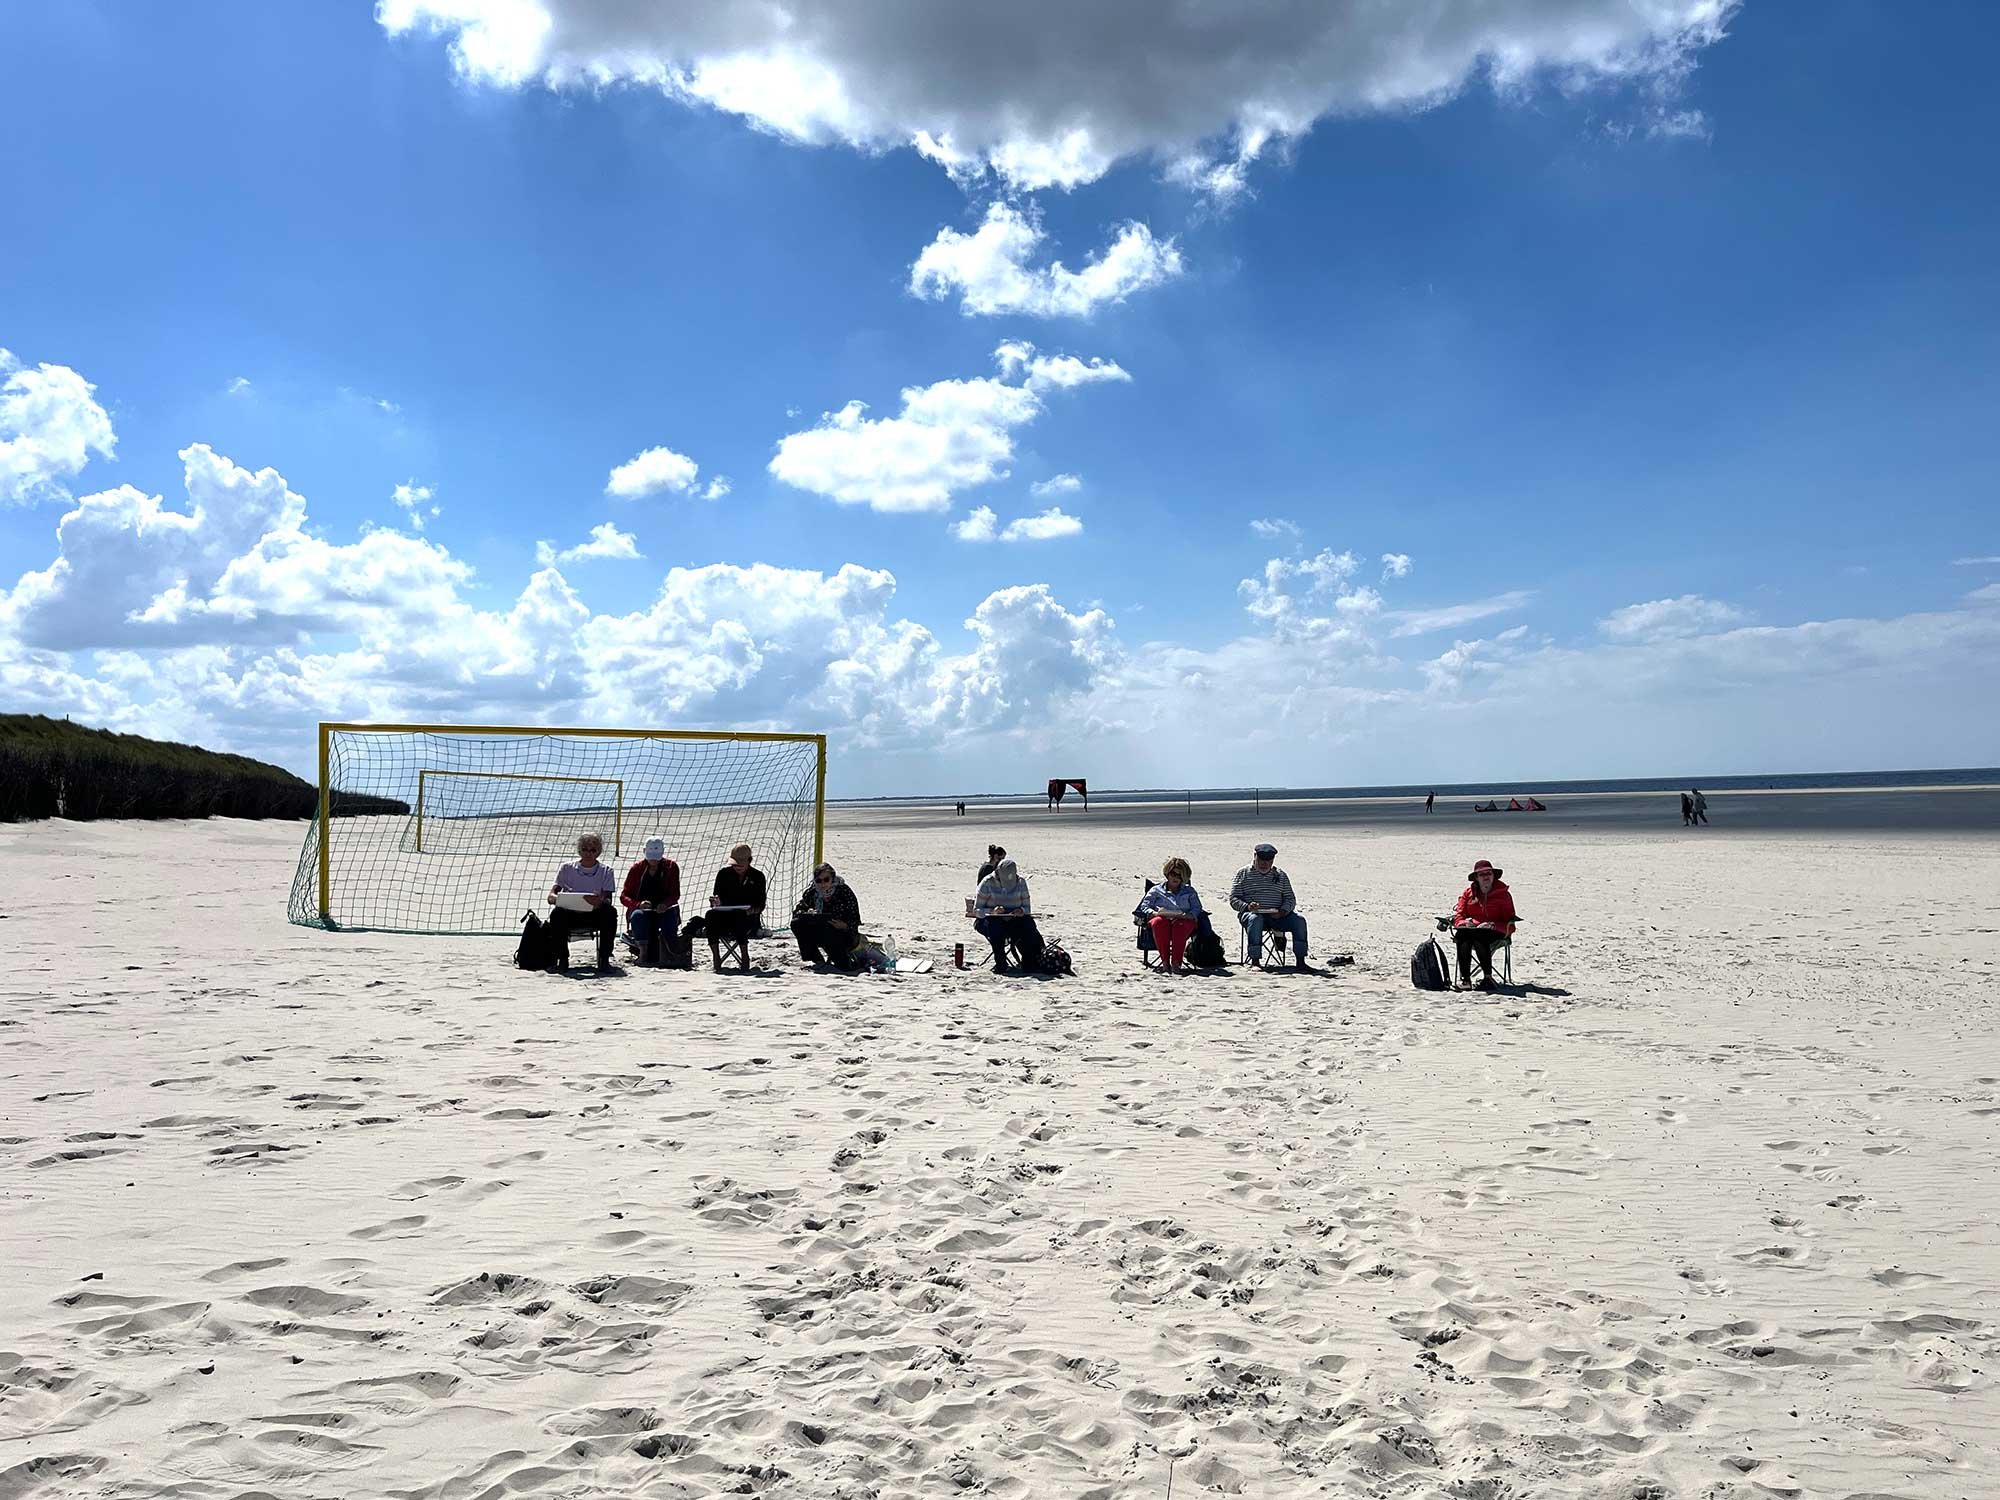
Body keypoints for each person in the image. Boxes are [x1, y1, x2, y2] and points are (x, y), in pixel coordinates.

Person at [1229, 842, 1307, 969]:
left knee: (1299, 920)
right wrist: (1247, 906)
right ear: (1255, 856)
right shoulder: (1243, 873)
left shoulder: (1280, 874)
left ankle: (1301, 961)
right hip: (1251, 915)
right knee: (1255, 919)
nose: (1265, 864)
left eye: (1269, 861)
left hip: (1277, 916)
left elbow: (1290, 898)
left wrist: (1282, 911)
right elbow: (1233, 899)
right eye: (1261, 860)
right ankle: (1255, 961)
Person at [547, 832, 618, 974]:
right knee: (556, 913)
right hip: (570, 916)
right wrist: (558, 899)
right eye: (585, 849)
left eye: (593, 850)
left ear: (598, 851)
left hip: (594, 916)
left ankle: (604, 960)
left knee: (610, 912)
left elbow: (608, 899)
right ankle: (562, 960)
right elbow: (551, 895)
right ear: (579, 850)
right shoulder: (567, 868)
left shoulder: (606, 871)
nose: (588, 853)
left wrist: (599, 901)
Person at [1451, 858, 1517, 991]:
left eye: (1489, 873)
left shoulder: (1503, 894)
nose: (1486, 876)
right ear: (1476, 877)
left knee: (1478, 936)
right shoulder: (1468, 894)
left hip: (1498, 931)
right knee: (1462, 934)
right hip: (1473, 930)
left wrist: (1493, 925)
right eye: (1482, 874)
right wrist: (1463, 922)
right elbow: (1459, 915)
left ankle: (1488, 978)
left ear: (1493, 875)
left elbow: (1510, 921)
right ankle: (1466, 980)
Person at [974, 857, 1044, 972]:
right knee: (995, 928)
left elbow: (1027, 908)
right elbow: (977, 910)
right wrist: (992, 911)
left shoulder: (1021, 882)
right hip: (990, 920)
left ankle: (1029, 962)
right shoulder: (987, 882)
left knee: (1029, 925)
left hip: (1014, 920)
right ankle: (1001, 963)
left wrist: (1021, 911)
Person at [1137, 856, 1204, 975]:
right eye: (1173, 874)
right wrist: (1154, 913)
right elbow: (1144, 906)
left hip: (1184, 919)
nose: (1176, 877)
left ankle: (1176, 963)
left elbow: (1197, 908)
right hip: (1161, 917)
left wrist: (1189, 915)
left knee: (1179, 925)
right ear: (1167, 874)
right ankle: (1165, 962)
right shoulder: (1156, 890)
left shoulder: (1189, 891)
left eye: (1179, 875)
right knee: (1159, 922)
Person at [620, 837, 681, 966]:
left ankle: (669, 952)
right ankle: (643, 953)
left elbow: (675, 894)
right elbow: (624, 896)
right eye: (651, 856)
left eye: (656, 857)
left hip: (665, 909)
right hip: (643, 909)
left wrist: (666, 904)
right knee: (637, 916)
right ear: (644, 852)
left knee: (669, 917)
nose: (653, 860)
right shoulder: (637, 868)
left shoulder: (671, 867)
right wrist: (638, 905)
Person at [706, 843, 766, 973]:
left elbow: (761, 904)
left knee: (740, 917)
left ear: (749, 861)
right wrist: (715, 901)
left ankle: (745, 956)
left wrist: (752, 910)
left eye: (741, 864)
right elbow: (717, 897)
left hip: (748, 918)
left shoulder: (758, 876)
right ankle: (716, 957)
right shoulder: (723, 874)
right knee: (710, 915)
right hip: (725, 915)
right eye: (734, 864)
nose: (737, 867)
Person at [791, 862, 862, 970]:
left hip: (844, 933)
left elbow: (855, 918)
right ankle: (816, 958)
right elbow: (798, 911)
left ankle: (842, 960)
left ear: (832, 878)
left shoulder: (844, 891)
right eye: (819, 880)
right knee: (796, 923)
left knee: (830, 930)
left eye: (826, 879)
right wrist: (808, 914)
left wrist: (844, 925)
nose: (822, 884)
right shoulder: (812, 893)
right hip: (820, 932)